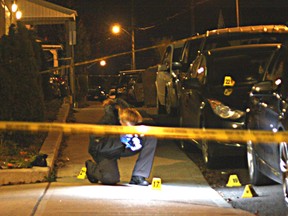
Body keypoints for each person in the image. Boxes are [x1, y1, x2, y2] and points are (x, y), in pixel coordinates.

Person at [86, 98, 157, 186]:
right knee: (110, 178)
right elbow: (98, 145)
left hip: (120, 147)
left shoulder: (130, 114)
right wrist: (121, 138)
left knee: (150, 137)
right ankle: (91, 169)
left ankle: (138, 175)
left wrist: (137, 136)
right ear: (121, 122)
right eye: (129, 127)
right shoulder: (107, 121)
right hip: (103, 150)